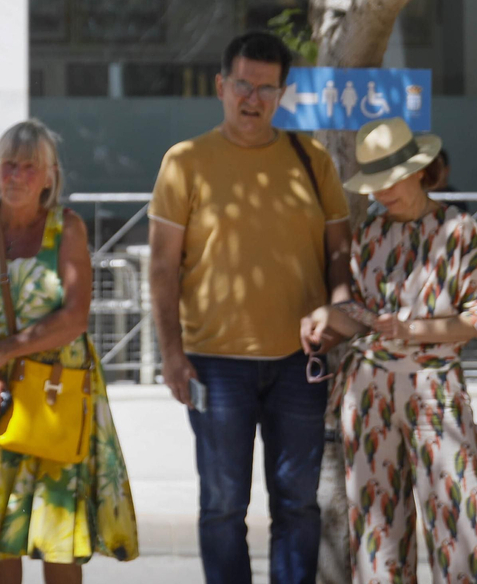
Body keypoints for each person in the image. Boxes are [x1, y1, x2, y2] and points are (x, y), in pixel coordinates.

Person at [148, 31, 352, 584]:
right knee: (222, 507)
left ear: (282, 93)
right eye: (243, 84)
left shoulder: (312, 161)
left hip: (299, 363)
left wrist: (337, 309)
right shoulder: (185, 162)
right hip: (213, 363)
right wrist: (171, 355)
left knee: (297, 506)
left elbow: (340, 252)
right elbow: (163, 267)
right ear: (221, 85)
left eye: (267, 88)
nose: (253, 98)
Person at [303, 118, 477, 584]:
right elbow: (361, 315)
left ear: (418, 171)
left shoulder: (458, 229)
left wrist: (410, 329)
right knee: (378, 534)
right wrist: (326, 317)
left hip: (436, 389)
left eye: (389, 180)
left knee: (461, 526)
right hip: (369, 389)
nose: (381, 192)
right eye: (374, 183)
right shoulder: (369, 231)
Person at [0, 120, 139, 581]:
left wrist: (1, 354)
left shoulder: (66, 228)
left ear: (50, 176)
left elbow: (74, 317)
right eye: (9, 164)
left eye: (30, 167)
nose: (16, 176)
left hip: (54, 395)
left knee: (58, 531)